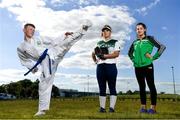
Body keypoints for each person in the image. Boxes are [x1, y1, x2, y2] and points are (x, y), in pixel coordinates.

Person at [17, 21, 92, 116]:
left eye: (33, 30)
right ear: (24, 30)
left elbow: (52, 40)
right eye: (30, 29)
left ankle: (83, 29)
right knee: (44, 84)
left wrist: (63, 35)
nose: (32, 31)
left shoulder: (39, 39)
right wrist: (33, 68)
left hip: (53, 53)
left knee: (68, 41)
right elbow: (24, 60)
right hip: (45, 63)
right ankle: (42, 110)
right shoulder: (21, 48)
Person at [128, 22, 166, 114]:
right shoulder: (135, 42)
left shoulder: (150, 39)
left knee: (151, 86)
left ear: (144, 29)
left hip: (148, 66)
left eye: (140, 28)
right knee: (141, 87)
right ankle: (143, 108)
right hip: (137, 67)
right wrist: (134, 60)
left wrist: (153, 57)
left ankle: (153, 108)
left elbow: (162, 47)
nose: (139, 30)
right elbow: (129, 53)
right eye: (137, 29)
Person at [92, 25, 120, 113]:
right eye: (103, 30)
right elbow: (93, 53)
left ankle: (111, 108)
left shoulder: (115, 42)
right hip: (100, 66)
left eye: (107, 30)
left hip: (111, 66)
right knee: (102, 88)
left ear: (110, 32)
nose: (105, 32)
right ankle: (102, 108)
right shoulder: (98, 43)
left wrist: (105, 56)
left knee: (112, 87)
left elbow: (116, 54)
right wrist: (95, 61)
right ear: (102, 32)